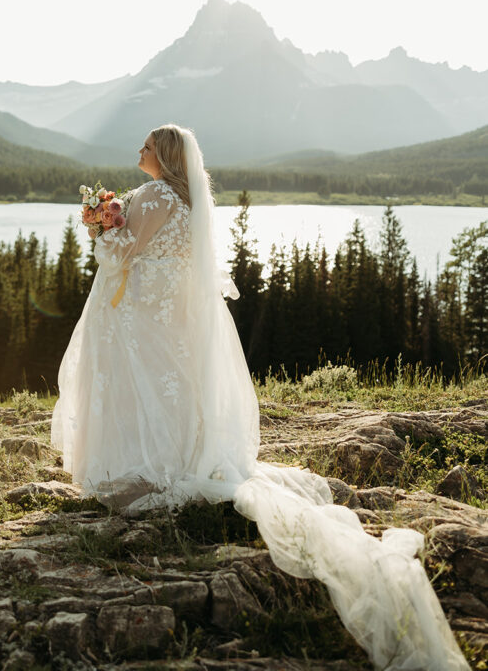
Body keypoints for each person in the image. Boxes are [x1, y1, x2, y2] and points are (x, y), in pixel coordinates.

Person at [51, 124, 469, 671]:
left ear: (164, 155)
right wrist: (109, 222)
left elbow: (122, 252)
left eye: (147, 146)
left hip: (139, 315)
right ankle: (170, 459)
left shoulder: (152, 195)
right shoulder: (188, 201)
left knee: (139, 388)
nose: (140, 151)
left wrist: (98, 228)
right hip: (167, 313)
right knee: (165, 389)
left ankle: (140, 466)